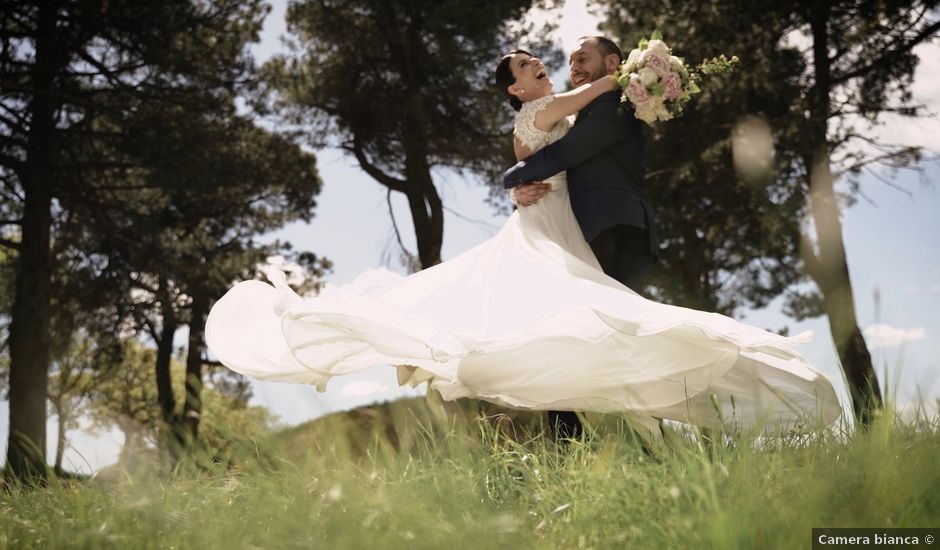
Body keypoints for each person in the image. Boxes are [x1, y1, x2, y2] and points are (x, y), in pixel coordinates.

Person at [205, 41, 842, 448]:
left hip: (557, 215)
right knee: (576, 312)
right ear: (517, 89)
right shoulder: (546, 109)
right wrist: (636, 73)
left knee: (565, 320)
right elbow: (591, 99)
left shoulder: (536, 118)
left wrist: (522, 180)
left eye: (540, 63)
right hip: (553, 224)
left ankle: (572, 424)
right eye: (530, 68)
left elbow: (543, 157)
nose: (542, 66)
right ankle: (575, 426)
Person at [502, 37, 657, 440]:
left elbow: (564, 156)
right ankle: (580, 445)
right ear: (516, 90)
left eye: (583, 58)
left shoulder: (615, 103)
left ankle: (642, 442)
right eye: (570, 61)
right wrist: (519, 187)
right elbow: (547, 157)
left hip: (613, 233)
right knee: (574, 338)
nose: (573, 66)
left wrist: (512, 179)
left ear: (613, 62)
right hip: (573, 235)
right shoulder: (569, 109)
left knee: (610, 340)